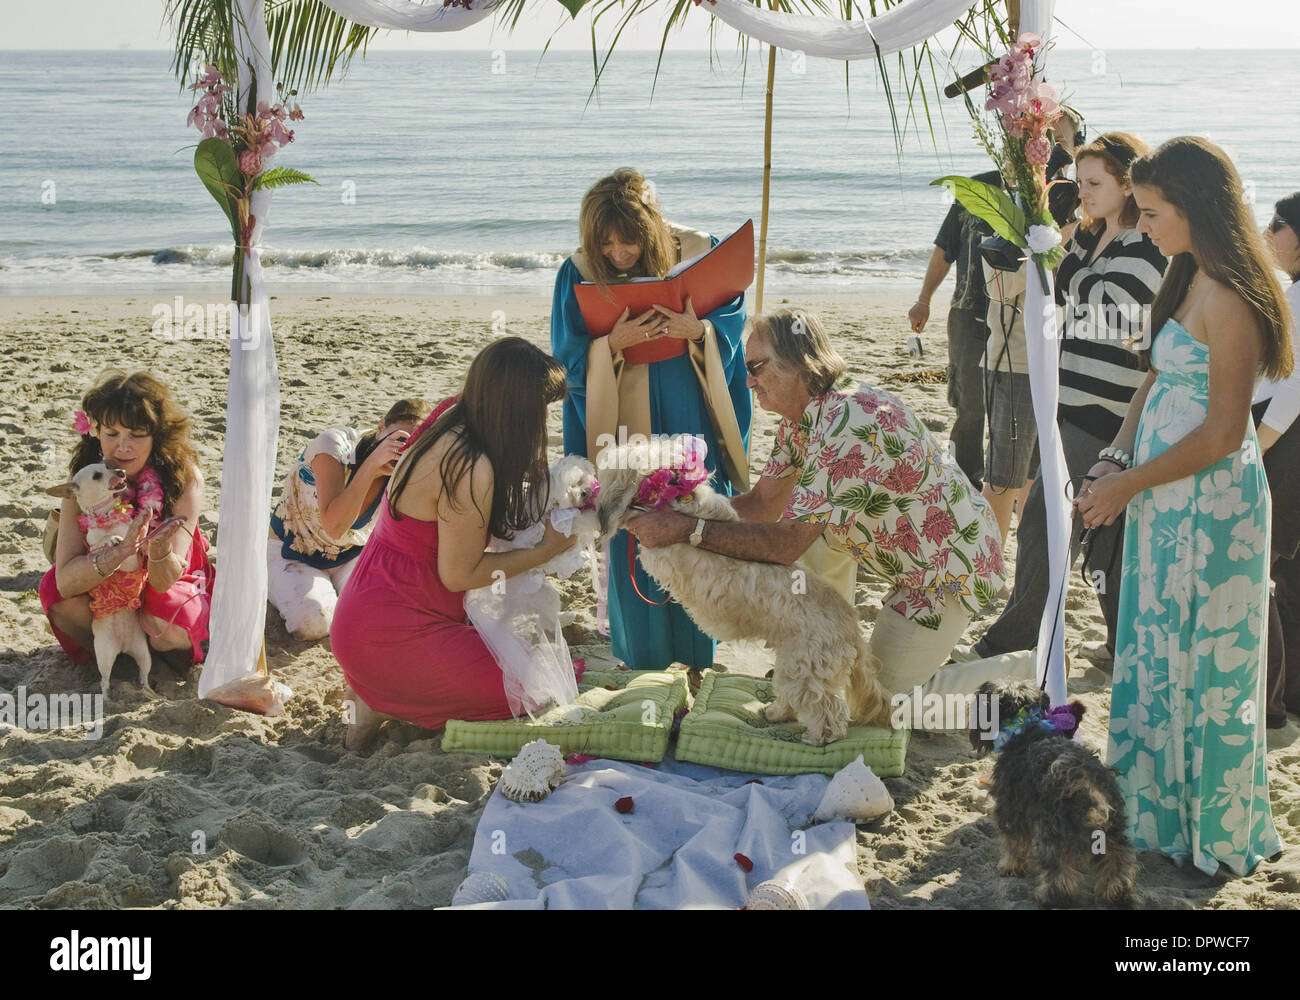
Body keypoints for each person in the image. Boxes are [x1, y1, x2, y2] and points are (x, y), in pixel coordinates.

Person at [1078, 136, 1290, 876]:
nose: (1143, 226)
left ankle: (1212, 825)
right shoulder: (1186, 274)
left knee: (1206, 665)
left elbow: (1226, 433)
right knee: (1155, 650)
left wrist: (1128, 485)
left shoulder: (1232, 299)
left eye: (1154, 212)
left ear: (1197, 208)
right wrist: (1114, 455)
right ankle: (1160, 814)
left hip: (1212, 510)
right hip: (1164, 500)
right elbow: (1153, 382)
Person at [629, 309, 1017, 705]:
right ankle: (827, 637)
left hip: (945, 572)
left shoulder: (846, 422)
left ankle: (1024, 671)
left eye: (756, 368)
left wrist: (687, 531)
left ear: (796, 363)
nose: (748, 381)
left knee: (879, 702)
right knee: (815, 551)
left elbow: (784, 545)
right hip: (902, 555)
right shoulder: (803, 416)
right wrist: (680, 510)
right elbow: (762, 504)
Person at [952, 133, 1167, 666]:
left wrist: (1055, 256)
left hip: (1109, 411)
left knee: (1046, 523)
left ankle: (1010, 641)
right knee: (1101, 535)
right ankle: (1124, 645)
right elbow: (1055, 294)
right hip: (1069, 400)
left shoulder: (1144, 244)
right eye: (1080, 180)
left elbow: (1115, 313)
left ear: (1127, 184)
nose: (1083, 192)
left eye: (1095, 183)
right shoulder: (1089, 239)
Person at [329, 339, 578, 750]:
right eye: (540, 410)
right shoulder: (469, 465)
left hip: (365, 616)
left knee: (531, 661)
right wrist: (545, 550)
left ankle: (374, 691)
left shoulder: (451, 414)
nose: (544, 420)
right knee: (537, 686)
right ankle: (382, 696)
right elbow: (459, 574)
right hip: (393, 636)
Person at [551, 168, 751, 669]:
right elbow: (567, 360)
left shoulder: (699, 247)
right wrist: (609, 347)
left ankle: (697, 655)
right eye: (608, 245)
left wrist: (698, 330)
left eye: (631, 242)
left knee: (692, 508)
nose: (619, 254)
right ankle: (644, 660)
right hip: (621, 410)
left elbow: (731, 316)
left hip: (689, 397)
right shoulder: (576, 271)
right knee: (631, 517)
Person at [42, 370, 211, 675]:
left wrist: (157, 550)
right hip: (106, 585)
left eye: (136, 434)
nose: (123, 447)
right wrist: (115, 556)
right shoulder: (83, 481)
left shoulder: (184, 478)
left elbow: (166, 580)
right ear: (96, 432)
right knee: (52, 592)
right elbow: (65, 582)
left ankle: (159, 656)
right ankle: (117, 658)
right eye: (112, 434)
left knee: (167, 616)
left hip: (164, 582)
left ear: (156, 434)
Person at [267, 397, 431, 640]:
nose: (402, 450)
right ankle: (286, 587)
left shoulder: (412, 469)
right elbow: (334, 525)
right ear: (380, 427)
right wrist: (372, 466)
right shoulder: (334, 446)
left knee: (384, 616)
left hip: (351, 554)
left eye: (414, 445)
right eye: (398, 439)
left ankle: (332, 594)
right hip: (293, 550)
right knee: (312, 622)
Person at [910, 167, 1001, 487]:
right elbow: (945, 250)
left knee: (1012, 411)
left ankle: (1006, 484)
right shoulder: (977, 189)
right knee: (971, 406)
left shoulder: (1047, 193)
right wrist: (924, 299)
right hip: (969, 316)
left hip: (1021, 321)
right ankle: (965, 482)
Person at [1256, 192, 1300, 726]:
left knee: (1275, 568)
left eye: (1279, 224)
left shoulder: (1295, 299)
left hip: (1285, 443)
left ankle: (1276, 700)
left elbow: (1289, 388)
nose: (1268, 232)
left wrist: (1256, 444)